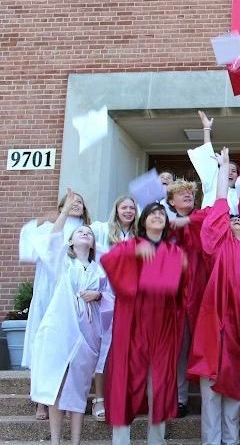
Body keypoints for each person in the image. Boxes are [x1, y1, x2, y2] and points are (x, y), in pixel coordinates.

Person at [188, 148, 240, 445]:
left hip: (239, 336)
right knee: (210, 401)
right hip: (213, 330)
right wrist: (223, 169)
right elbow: (220, 205)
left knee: (232, 399)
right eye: (232, 221)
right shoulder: (219, 248)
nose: (235, 222)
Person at [102, 202, 187, 445]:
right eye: (153, 214)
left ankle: (156, 440)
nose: (158, 216)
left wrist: (182, 271)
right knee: (126, 381)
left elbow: (178, 290)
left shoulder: (174, 252)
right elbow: (109, 261)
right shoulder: (131, 245)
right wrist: (132, 254)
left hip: (163, 322)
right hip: (133, 322)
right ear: (144, 221)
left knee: (159, 384)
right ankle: (121, 441)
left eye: (162, 214)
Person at [30, 190, 107, 445]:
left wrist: (97, 295)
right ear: (70, 242)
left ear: (94, 244)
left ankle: (75, 442)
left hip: (87, 334)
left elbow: (111, 299)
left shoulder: (100, 269)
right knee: (58, 387)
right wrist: (64, 211)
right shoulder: (62, 261)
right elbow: (52, 241)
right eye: (79, 233)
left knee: (78, 391)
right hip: (61, 332)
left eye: (89, 233)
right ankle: (55, 441)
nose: (85, 233)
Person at [18, 191, 92, 421]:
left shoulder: (88, 231)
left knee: (72, 348)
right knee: (42, 350)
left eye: (80, 201)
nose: (77, 204)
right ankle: (41, 402)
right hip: (48, 295)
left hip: (72, 296)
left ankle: (68, 399)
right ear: (61, 207)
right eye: (72, 202)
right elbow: (49, 244)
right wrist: (60, 214)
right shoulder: (48, 229)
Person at [88, 195, 139, 422]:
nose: (128, 211)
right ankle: (99, 397)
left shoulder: (140, 235)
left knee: (128, 349)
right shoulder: (102, 230)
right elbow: (80, 237)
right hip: (106, 295)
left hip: (132, 297)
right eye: (124, 207)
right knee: (104, 347)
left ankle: (124, 395)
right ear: (116, 209)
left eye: (132, 208)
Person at [166, 177, 210, 417]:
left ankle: (210, 401)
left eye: (190, 193)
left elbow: (206, 219)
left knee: (204, 345)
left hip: (202, 290)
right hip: (175, 292)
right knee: (179, 348)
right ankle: (180, 399)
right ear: (171, 201)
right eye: (181, 193)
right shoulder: (164, 224)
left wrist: (183, 221)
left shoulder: (202, 216)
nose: (187, 196)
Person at [189, 111, 240, 215]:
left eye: (234, 171)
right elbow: (207, 156)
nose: (230, 173)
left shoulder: (239, 193)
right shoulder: (213, 184)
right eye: (227, 170)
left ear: (238, 176)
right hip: (211, 227)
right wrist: (206, 129)